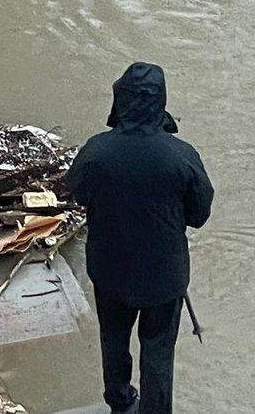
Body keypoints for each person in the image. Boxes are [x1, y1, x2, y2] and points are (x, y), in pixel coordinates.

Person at [66, 62, 215, 414]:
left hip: (110, 272)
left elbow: (77, 192)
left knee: (114, 338)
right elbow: (199, 215)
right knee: (159, 349)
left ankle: (120, 401)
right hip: (164, 277)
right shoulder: (182, 156)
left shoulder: (96, 151)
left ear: (120, 99)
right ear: (160, 101)